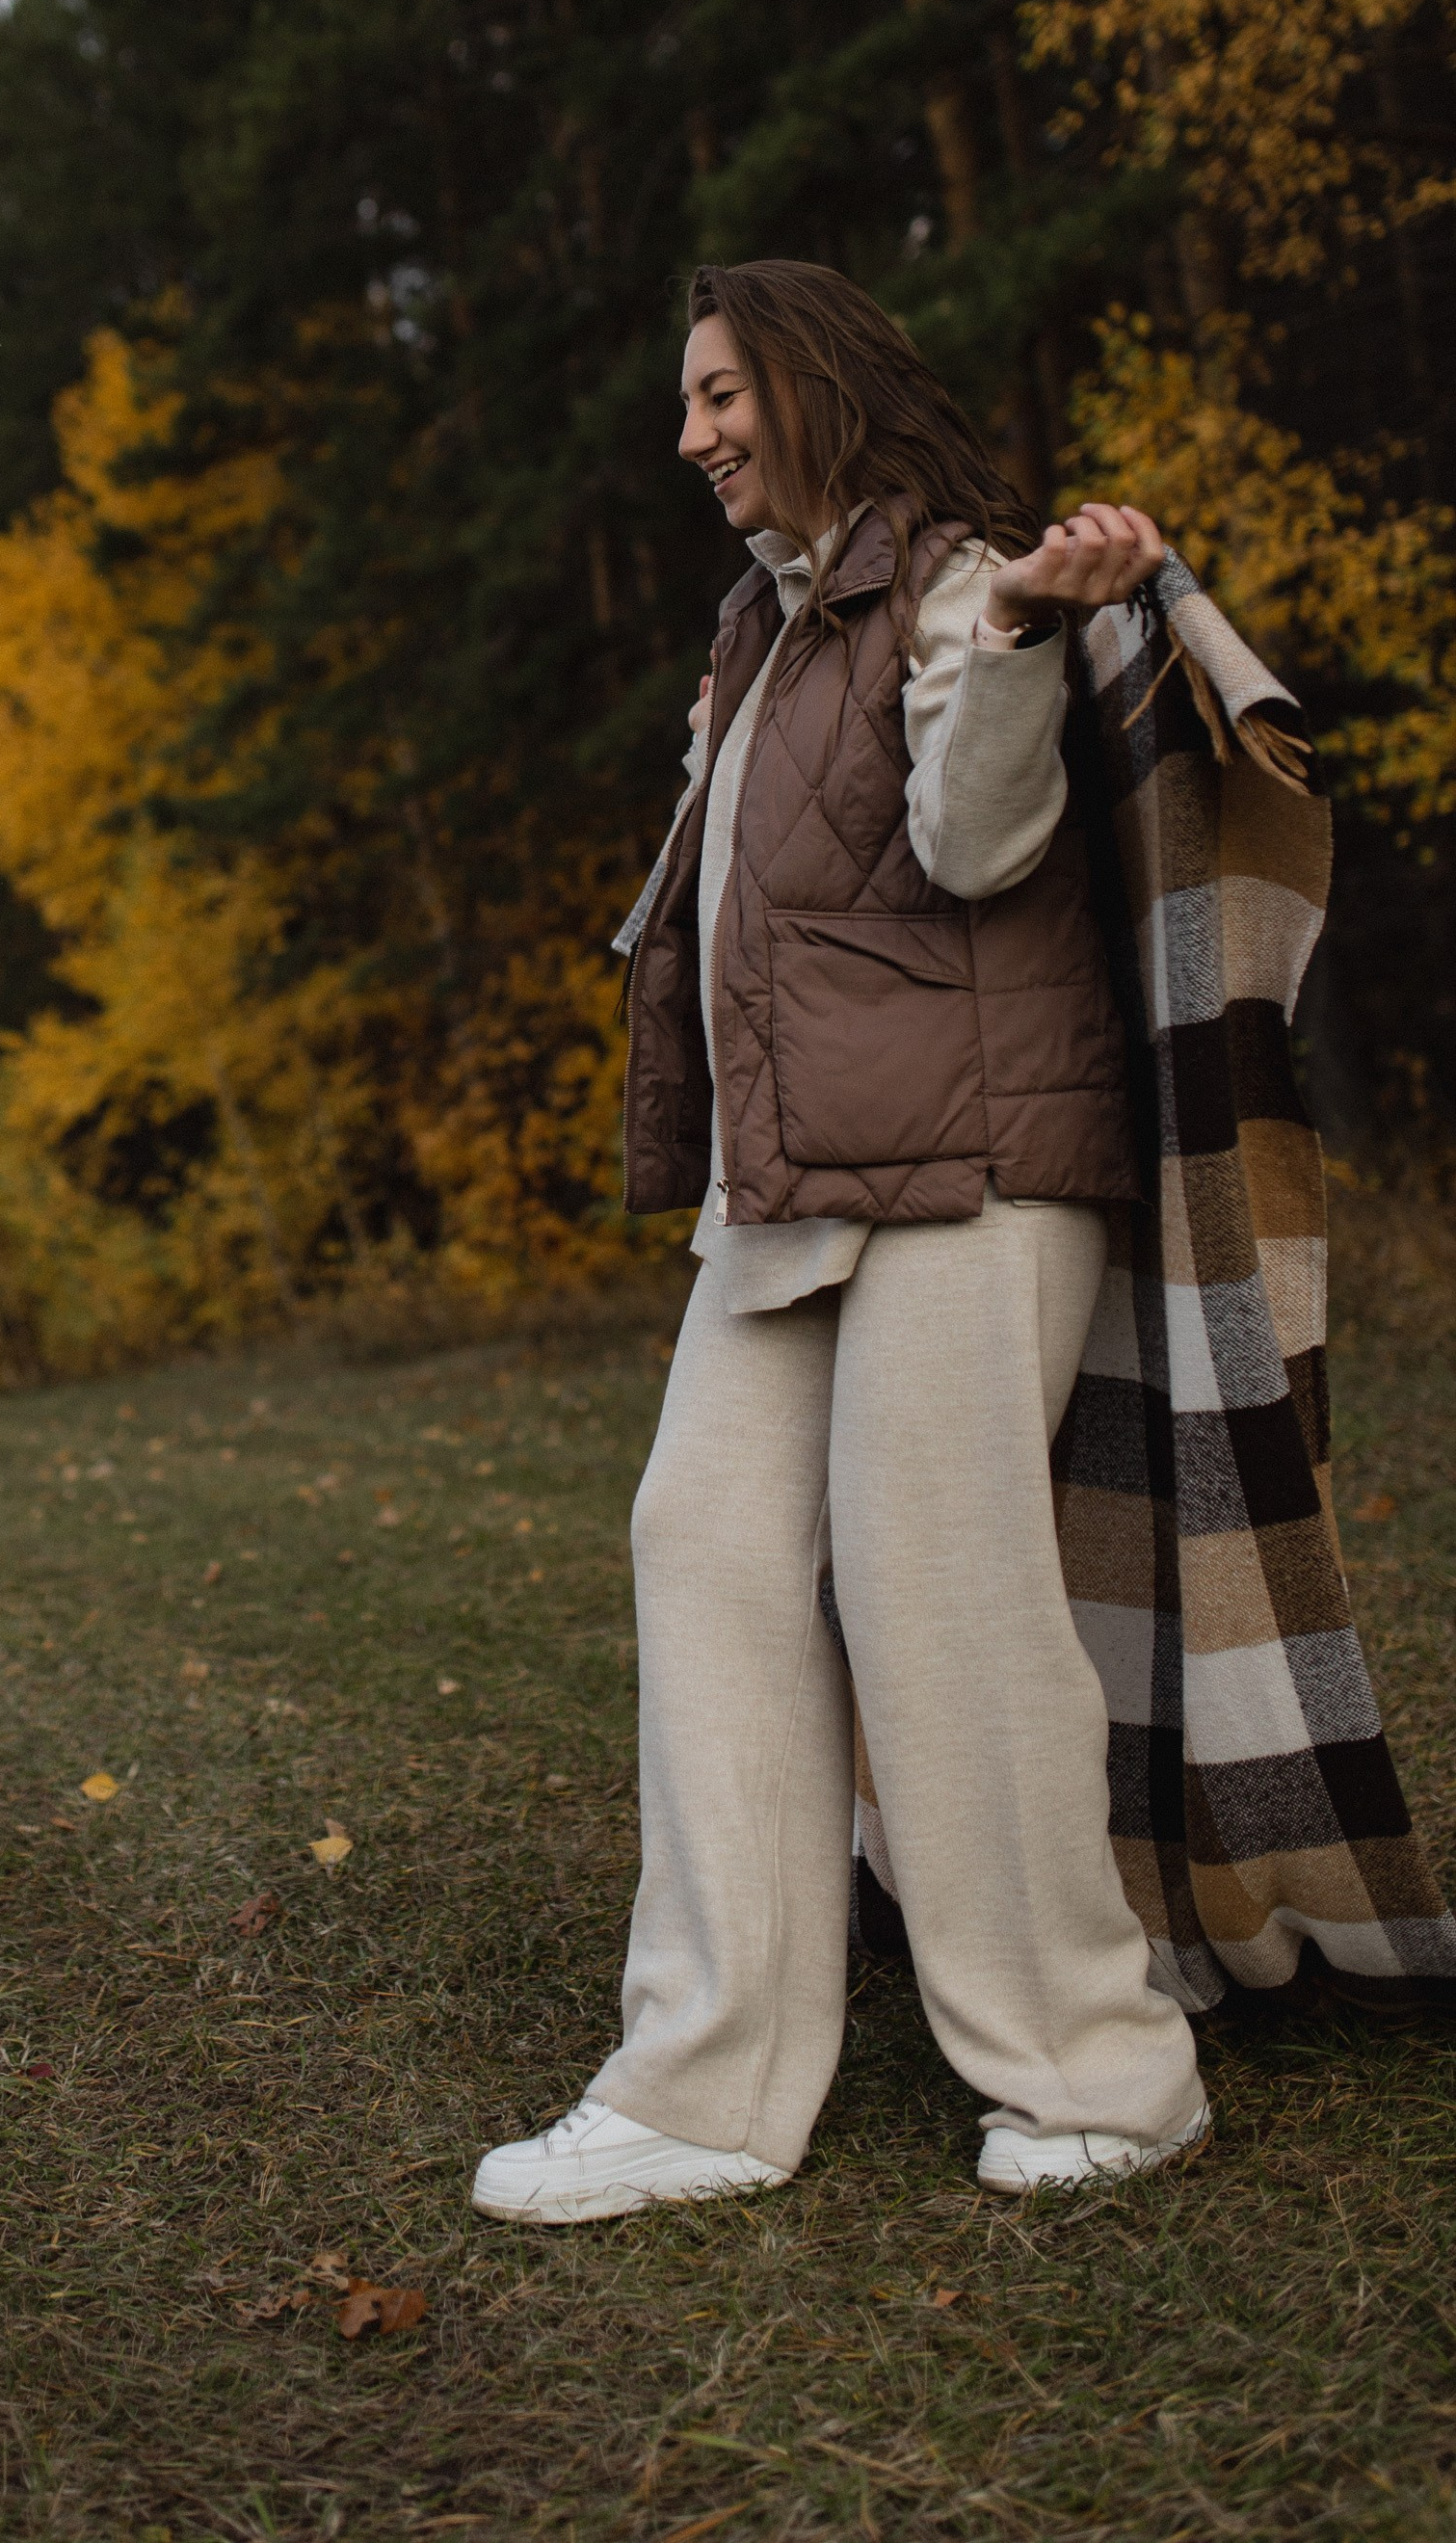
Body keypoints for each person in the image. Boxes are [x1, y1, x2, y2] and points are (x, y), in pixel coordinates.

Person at [474, 259, 1208, 2222]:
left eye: (720, 392)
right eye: (683, 402)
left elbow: (974, 848)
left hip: (974, 1171)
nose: (695, 431)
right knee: (698, 1545)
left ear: (809, 384)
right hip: (790, 1187)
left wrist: (1024, 635)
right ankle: (699, 2084)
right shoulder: (764, 627)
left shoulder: (960, 580)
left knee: (934, 1589)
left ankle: (1095, 2063)